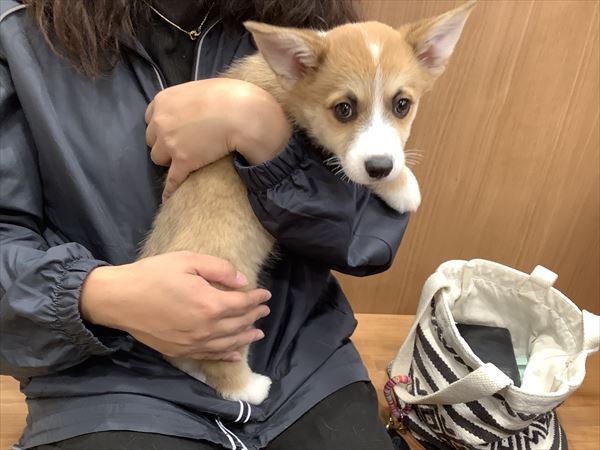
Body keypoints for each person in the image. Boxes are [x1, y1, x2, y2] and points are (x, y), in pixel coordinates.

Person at [0, 1, 410, 449]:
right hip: (110, 379)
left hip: (302, 362)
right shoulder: (17, 30)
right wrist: (97, 295)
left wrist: (263, 132)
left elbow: (365, 237)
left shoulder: (314, 20)